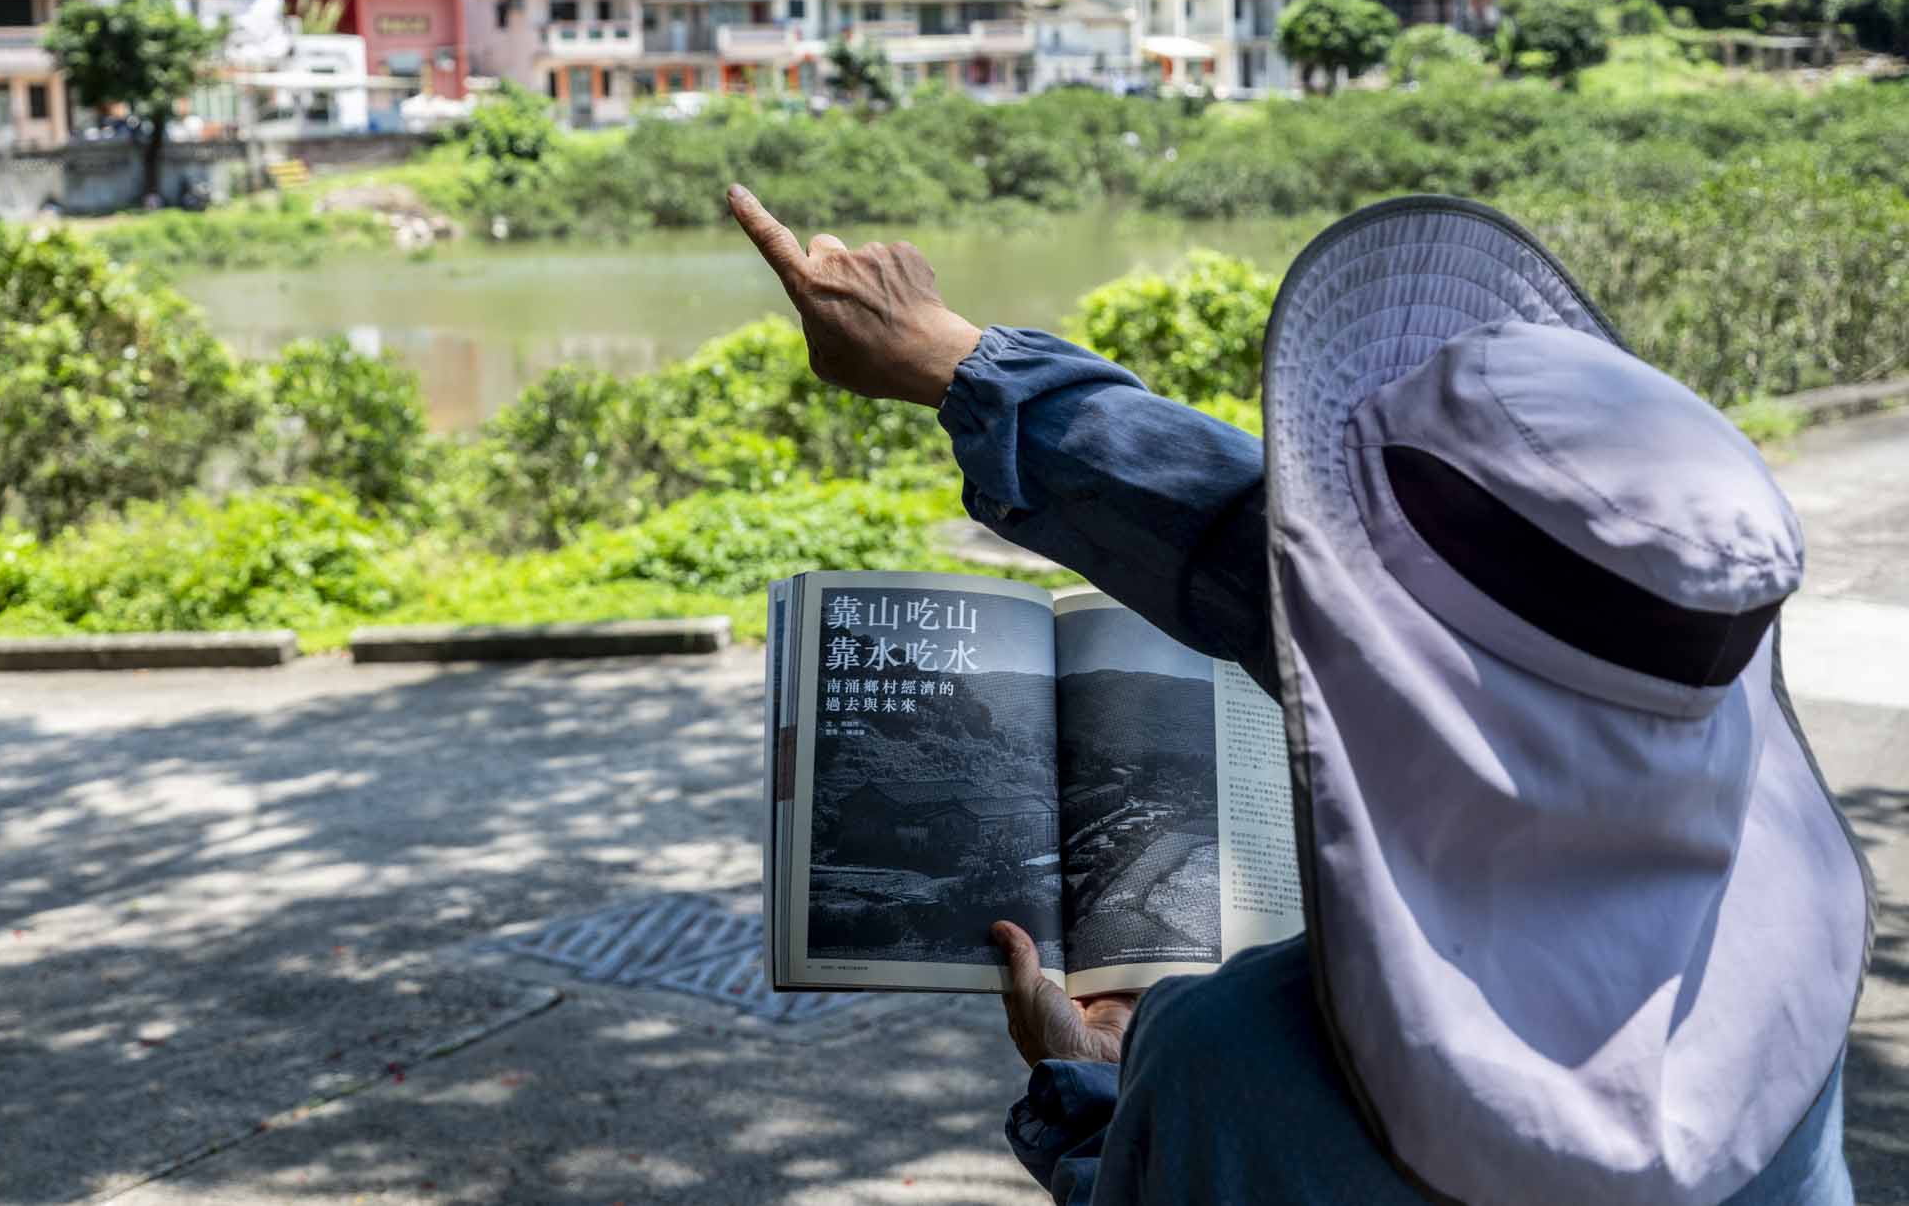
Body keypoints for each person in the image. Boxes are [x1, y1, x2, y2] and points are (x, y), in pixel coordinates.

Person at [727, 185, 1869, 1206]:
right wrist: (968, 367)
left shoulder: (1235, 1064)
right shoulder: (1797, 912)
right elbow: (1284, 561)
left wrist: (1089, 1080)